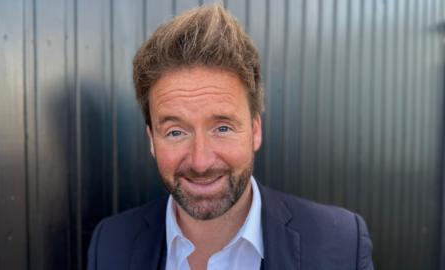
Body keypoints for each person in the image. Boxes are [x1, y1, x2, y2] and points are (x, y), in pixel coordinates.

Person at [87, 4, 374, 270]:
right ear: (151, 140)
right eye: (176, 132)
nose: (201, 162)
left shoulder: (341, 244)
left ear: (256, 130)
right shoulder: (111, 244)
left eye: (222, 128)